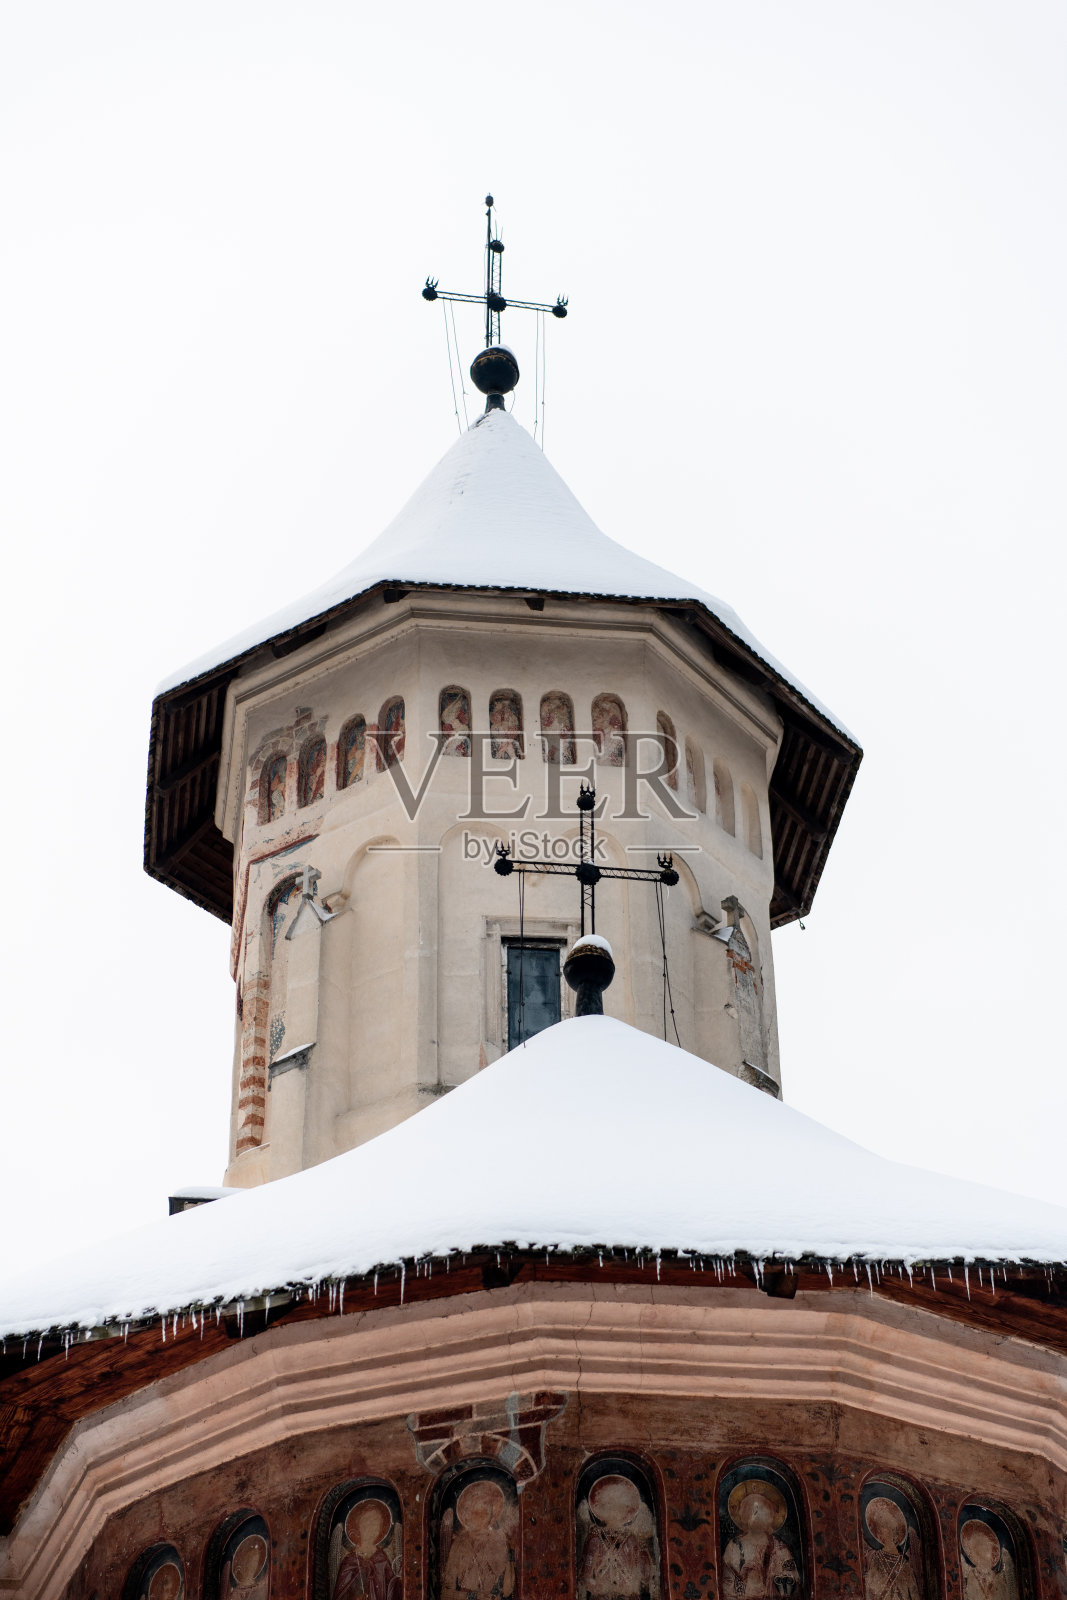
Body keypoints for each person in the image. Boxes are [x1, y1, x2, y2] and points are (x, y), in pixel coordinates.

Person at [578, 1474, 656, 1600]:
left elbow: (644, 1577)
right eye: (609, 1505)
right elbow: (586, 1577)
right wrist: (600, 1589)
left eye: (620, 1506)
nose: (615, 1511)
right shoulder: (595, 1538)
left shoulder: (632, 1539)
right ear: (599, 1507)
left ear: (628, 1510)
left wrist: (642, 1549)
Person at [722, 1481, 798, 1599]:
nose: (757, 1516)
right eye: (753, 1512)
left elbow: (792, 1579)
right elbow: (727, 1583)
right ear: (745, 1515)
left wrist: (778, 1579)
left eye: (763, 1511)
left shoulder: (779, 1547)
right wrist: (744, 1575)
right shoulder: (735, 1547)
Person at [441, 1480, 514, 1600]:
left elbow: (507, 1591)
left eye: (487, 1508)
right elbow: (446, 1593)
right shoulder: (460, 1543)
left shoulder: (500, 1540)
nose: (484, 1513)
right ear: (468, 1512)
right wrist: (472, 1596)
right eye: (479, 1508)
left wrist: (511, 1553)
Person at [333, 1500, 401, 1600]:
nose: (372, 1528)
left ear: (381, 1528)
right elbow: (340, 1595)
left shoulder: (382, 1559)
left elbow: (392, 1591)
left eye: (376, 1523)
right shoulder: (349, 1561)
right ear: (358, 1525)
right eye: (367, 1522)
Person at [863, 1498, 921, 1600]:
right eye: (879, 1528)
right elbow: (869, 1592)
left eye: (884, 1527)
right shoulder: (875, 1558)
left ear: (893, 1530)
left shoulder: (904, 1565)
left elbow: (915, 1594)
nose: (880, 1531)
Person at [960, 1520, 1017, 1600]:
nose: (983, 1552)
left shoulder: (1000, 1580)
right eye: (978, 1547)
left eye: (987, 1546)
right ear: (970, 1553)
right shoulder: (968, 1577)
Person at [223, 1531, 269, 1599]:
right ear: (242, 1563)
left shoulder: (260, 1587)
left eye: (256, 1561)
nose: (252, 1565)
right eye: (249, 1561)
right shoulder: (237, 1593)